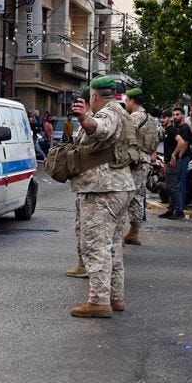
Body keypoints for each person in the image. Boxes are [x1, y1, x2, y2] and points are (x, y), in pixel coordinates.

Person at [68, 77, 136, 318]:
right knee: (113, 245)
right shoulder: (122, 112)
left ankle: (98, 300)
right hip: (120, 187)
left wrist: (85, 119)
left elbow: (100, 128)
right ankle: (115, 296)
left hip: (103, 190)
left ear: (94, 97)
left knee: (96, 245)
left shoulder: (108, 113)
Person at [122, 87, 155, 246]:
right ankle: (134, 232)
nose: (125, 104)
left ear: (132, 101)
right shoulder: (149, 118)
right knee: (137, 196)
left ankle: (119, 233)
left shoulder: (133, 118)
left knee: (124, 195)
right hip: (145, 160)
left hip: (134, 161)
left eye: (126, 101)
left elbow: (121, 136)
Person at [66, 87, 91, 279]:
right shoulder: (86, 122)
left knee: (87, 229)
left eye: (81, 101)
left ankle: (87, 266)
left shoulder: (93, 121)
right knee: (80, 226)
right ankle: (82, 263)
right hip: (85, 183)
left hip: (92, 184)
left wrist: (84, 118)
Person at [161, 107, 192, 219]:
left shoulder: (173, 129)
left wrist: (175, 155)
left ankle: (179, 210)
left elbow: (182, 142)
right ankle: (171, 209)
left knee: (175, 186)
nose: (162, 120)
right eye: (161, 117)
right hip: (169, 161)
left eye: (164, 117)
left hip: (174, 162)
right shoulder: (170, 129)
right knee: (171, 187)